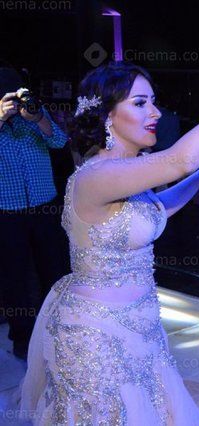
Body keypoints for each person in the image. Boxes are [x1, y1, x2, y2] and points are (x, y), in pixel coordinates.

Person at [17, 61, 199, 424]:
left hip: (142, 325)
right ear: (107, 115)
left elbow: (159, 207)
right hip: (97, 335)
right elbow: (180, 160)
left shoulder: (129, 172)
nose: (155, 112)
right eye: (140, 103)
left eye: (153, 101)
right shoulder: (96, 177)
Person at [0, 68, 70, 360]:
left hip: (44, 206)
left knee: (53, 269)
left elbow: (60, 141)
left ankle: (55, 327)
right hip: (7, 211)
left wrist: (39, 117)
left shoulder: (34, 113)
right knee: (14, 276)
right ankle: (22, 337)